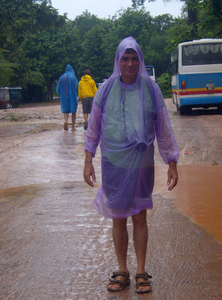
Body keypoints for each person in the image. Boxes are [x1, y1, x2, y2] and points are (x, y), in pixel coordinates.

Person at [83, 37, 179, 294]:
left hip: (142, 164)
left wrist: (172, 161)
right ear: (118, 61)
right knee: (118, 218)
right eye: (125, 58)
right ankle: (122, 270)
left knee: (139, 216)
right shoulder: (106, 89)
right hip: (114, 163)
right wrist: (88, 160)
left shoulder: (151, 89)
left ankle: (141, 271)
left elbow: (163, 128)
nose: (129, 63)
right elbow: (93, 127)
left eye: (134, 58)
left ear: (140, 60)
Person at [56, 64, 78, 131]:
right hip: (72, 95)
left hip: (64, 95)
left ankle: (66, 121)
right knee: (73, 111)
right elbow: (77, 86)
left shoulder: (62, 77)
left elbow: (58, 87)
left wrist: (59, 93)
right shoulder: (73, 77)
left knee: (65, 110)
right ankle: (73, 127)